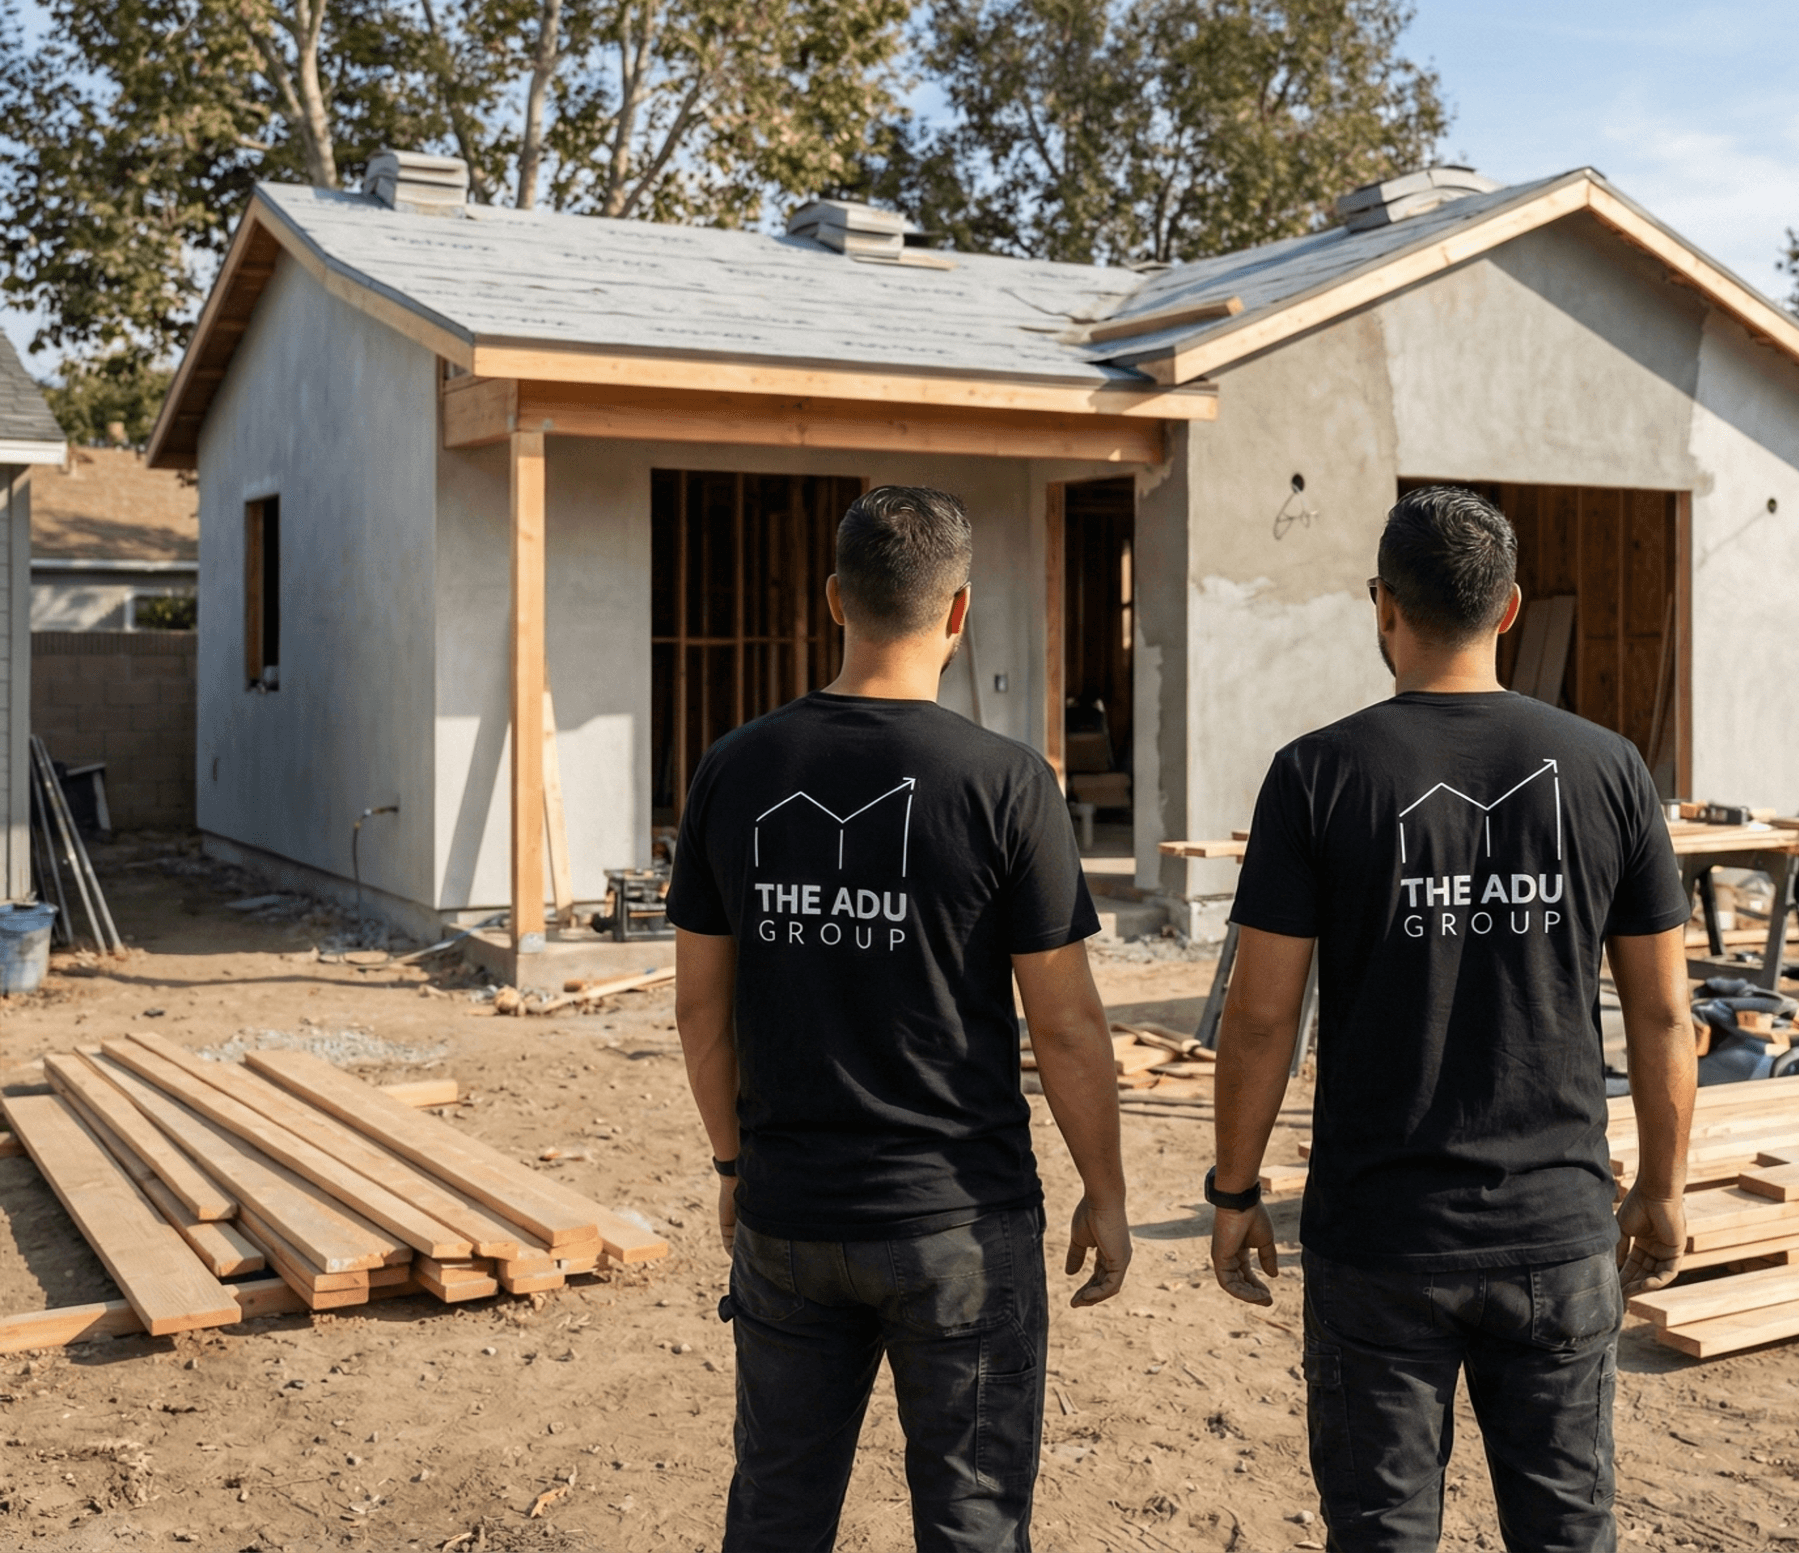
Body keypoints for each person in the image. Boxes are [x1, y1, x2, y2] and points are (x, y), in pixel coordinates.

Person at [1206, 484, 1697, 1553]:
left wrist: (1234, 1191)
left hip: (1380, 1240)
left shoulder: (1317, 774)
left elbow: (1260, 1020)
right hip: (1555, 1232)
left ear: (1382, 604)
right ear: (1510, 607)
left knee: (1381, 1532)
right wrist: (1662, 1187)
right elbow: (1664, 1012)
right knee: (1566, 1528)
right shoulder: (1610, 768)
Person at [670, 484, 1132, 1553]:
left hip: (791, 1213)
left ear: (836, 598)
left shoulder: (735, 768)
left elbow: (699, 1007)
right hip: (958, 1226)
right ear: (959, 611)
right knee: (974, 1523)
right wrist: (1105, 1193)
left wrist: (734, 1164)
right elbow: (1066, 1027)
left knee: (777, 1514)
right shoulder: (1006, 783)